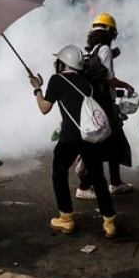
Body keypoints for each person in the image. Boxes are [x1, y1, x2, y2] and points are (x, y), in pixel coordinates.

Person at [28, 45, 117, 237]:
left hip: (69, 138)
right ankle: (109, 221)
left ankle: (66, 218)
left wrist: (37, 89)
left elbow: (44, 108)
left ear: (62, 63)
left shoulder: (56, 80)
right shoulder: (86, 83)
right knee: (98, 177)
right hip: (89, 136)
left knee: (59, 173)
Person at [75, 12, 136, 200]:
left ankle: (115, 182)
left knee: (112, 142)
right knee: (102, 146)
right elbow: (108, 78)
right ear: (110, 32)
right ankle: (84, 186)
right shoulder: (104, 50)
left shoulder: (90, 50)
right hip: (105, 107)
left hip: (94, 105)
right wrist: (125, 85)